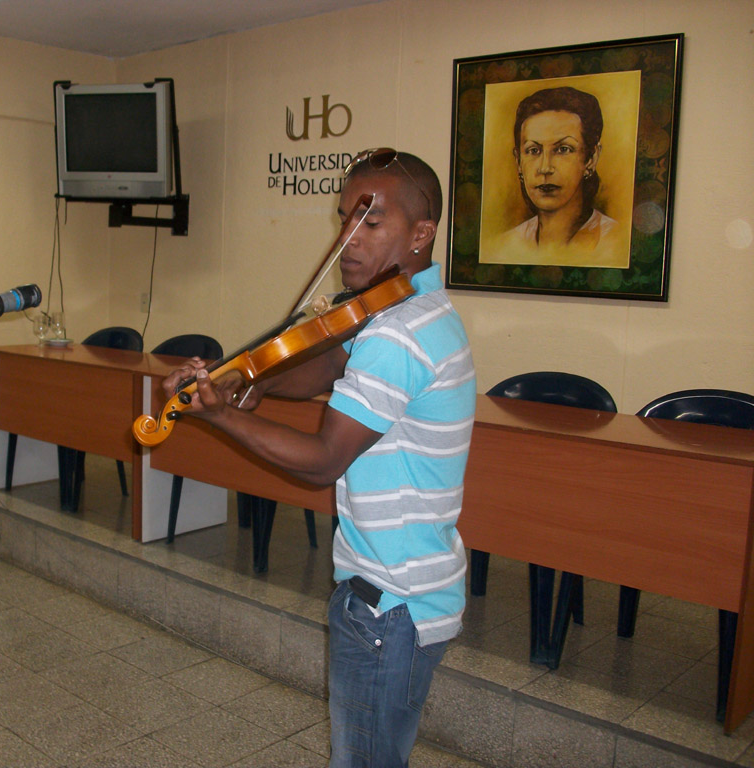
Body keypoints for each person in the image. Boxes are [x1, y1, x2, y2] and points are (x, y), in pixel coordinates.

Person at [161, 149, 476, 768]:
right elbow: (326, 367)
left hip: (391, 604)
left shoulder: (397, 333)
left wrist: (224, 413)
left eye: (370, 222)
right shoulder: (410, 309)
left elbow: (323, 458)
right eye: (344, 221)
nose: (349, 240)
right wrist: (243, 378)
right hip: (405, 591)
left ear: (421, 233)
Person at [493, 86, 621, 264]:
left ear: (591, 158)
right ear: (518, 161)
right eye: (534, 150)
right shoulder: (503, 247)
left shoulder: (615, 243)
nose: (545, 168)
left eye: (563, 149)